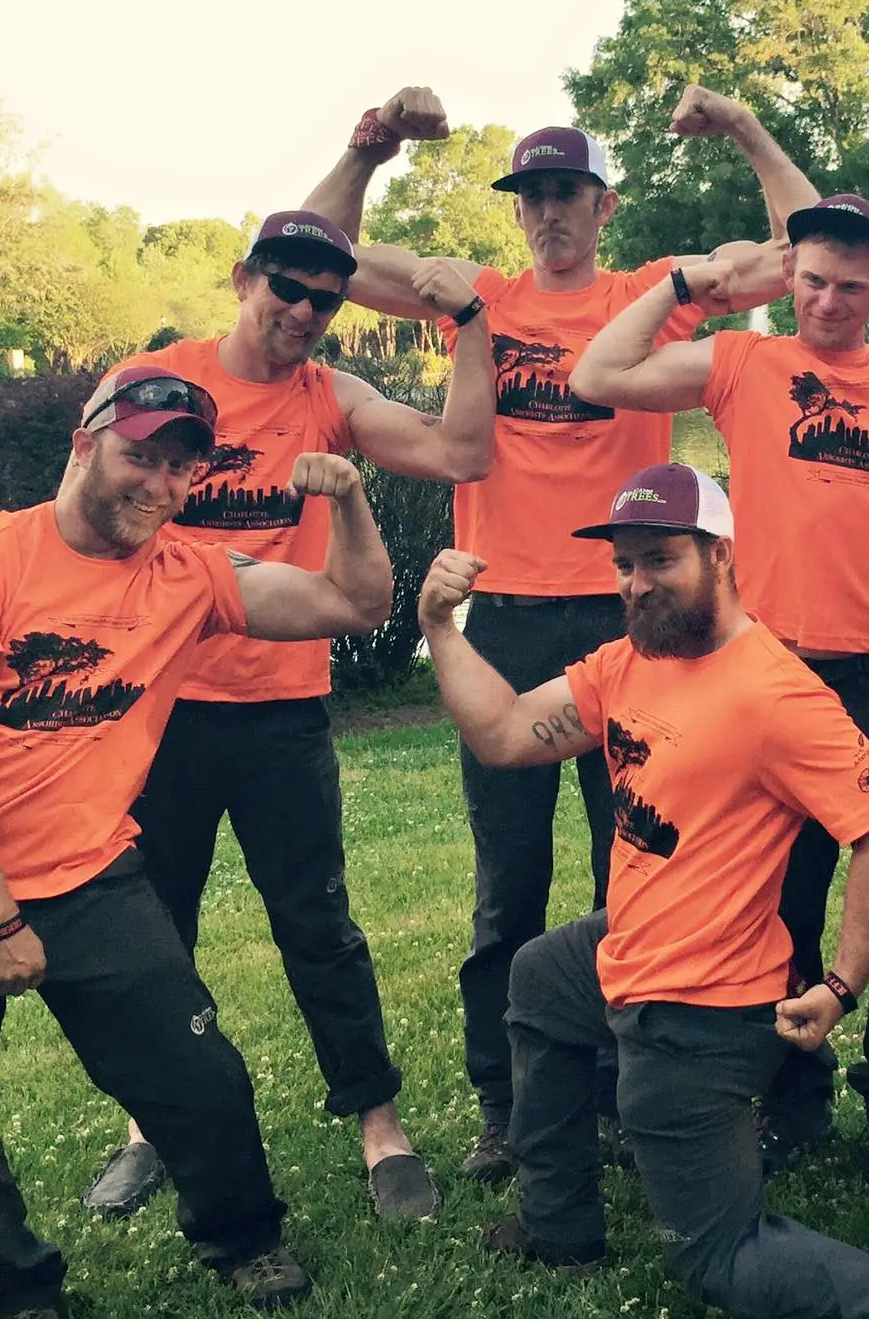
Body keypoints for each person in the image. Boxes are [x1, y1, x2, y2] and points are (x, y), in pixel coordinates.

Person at [330, 90, 807, 1179]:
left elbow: (797, 258)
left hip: (626, 618)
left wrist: (746, 131)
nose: (548, 211)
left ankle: (617, 1086)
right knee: (507, 885)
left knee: (627, 871)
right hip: (502, 618)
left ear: (603, 205)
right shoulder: (481, 299)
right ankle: (505, 1100)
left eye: (567, 193)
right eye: (533, 194)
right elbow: (330, 257)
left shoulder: (647, 296)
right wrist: (369, 149)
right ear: (517, 210)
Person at [0, 361, 398, 1316]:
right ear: (84, 444)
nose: (160, 484)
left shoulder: (190, 574)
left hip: (89, 878)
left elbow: (355, 605)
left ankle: (243, 1239)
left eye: (181, 468)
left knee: (200, 1082)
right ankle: (16, 1291)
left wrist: (351, 500)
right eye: (140, 457)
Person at [417, 462, 869, 1319]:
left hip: (699, 1006)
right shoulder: (630, 663)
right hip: (629, 947)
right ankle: (559, 1223)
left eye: (660, 559)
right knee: (539, 980)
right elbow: (504, 733)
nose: (636, 583)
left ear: (720, 555)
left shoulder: (775, 693)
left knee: (720, 1257)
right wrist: (441, 628)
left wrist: (841, 986)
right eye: (625, 564)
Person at [79, 88, 485, 1224]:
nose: (303, 309)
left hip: (279, 710)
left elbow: (461, 452)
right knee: (153, 926)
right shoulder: (155, 383)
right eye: (284, 289)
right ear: (241, 281)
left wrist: (472, 324)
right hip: (154, 709)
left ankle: (379, 1126)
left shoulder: (331, 398)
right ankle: (151, 1125)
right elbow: (87, 521)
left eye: (323, 297)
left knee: (317, 925)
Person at [573, 186, 869, 1199]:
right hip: (774, 678)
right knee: (777, 903)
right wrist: (680, 284)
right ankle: (791, 1096)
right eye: (812, 282)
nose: (827, 304)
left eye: (850, 288)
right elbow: (596, 372)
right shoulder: (744, 364)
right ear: (788, 277)